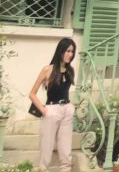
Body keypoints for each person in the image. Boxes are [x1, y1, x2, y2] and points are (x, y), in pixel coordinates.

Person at [29, 38, 76, 172]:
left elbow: (64, 91)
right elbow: (32, 93)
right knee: (46, 149)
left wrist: (70, 107)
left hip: (66, 110)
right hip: (51, 110)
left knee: (66, 151)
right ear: (60, 51)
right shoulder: (47, 70)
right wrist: (44, 110)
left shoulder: (70, 70)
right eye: (68, 51)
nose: (70, 54)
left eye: (72, 52)